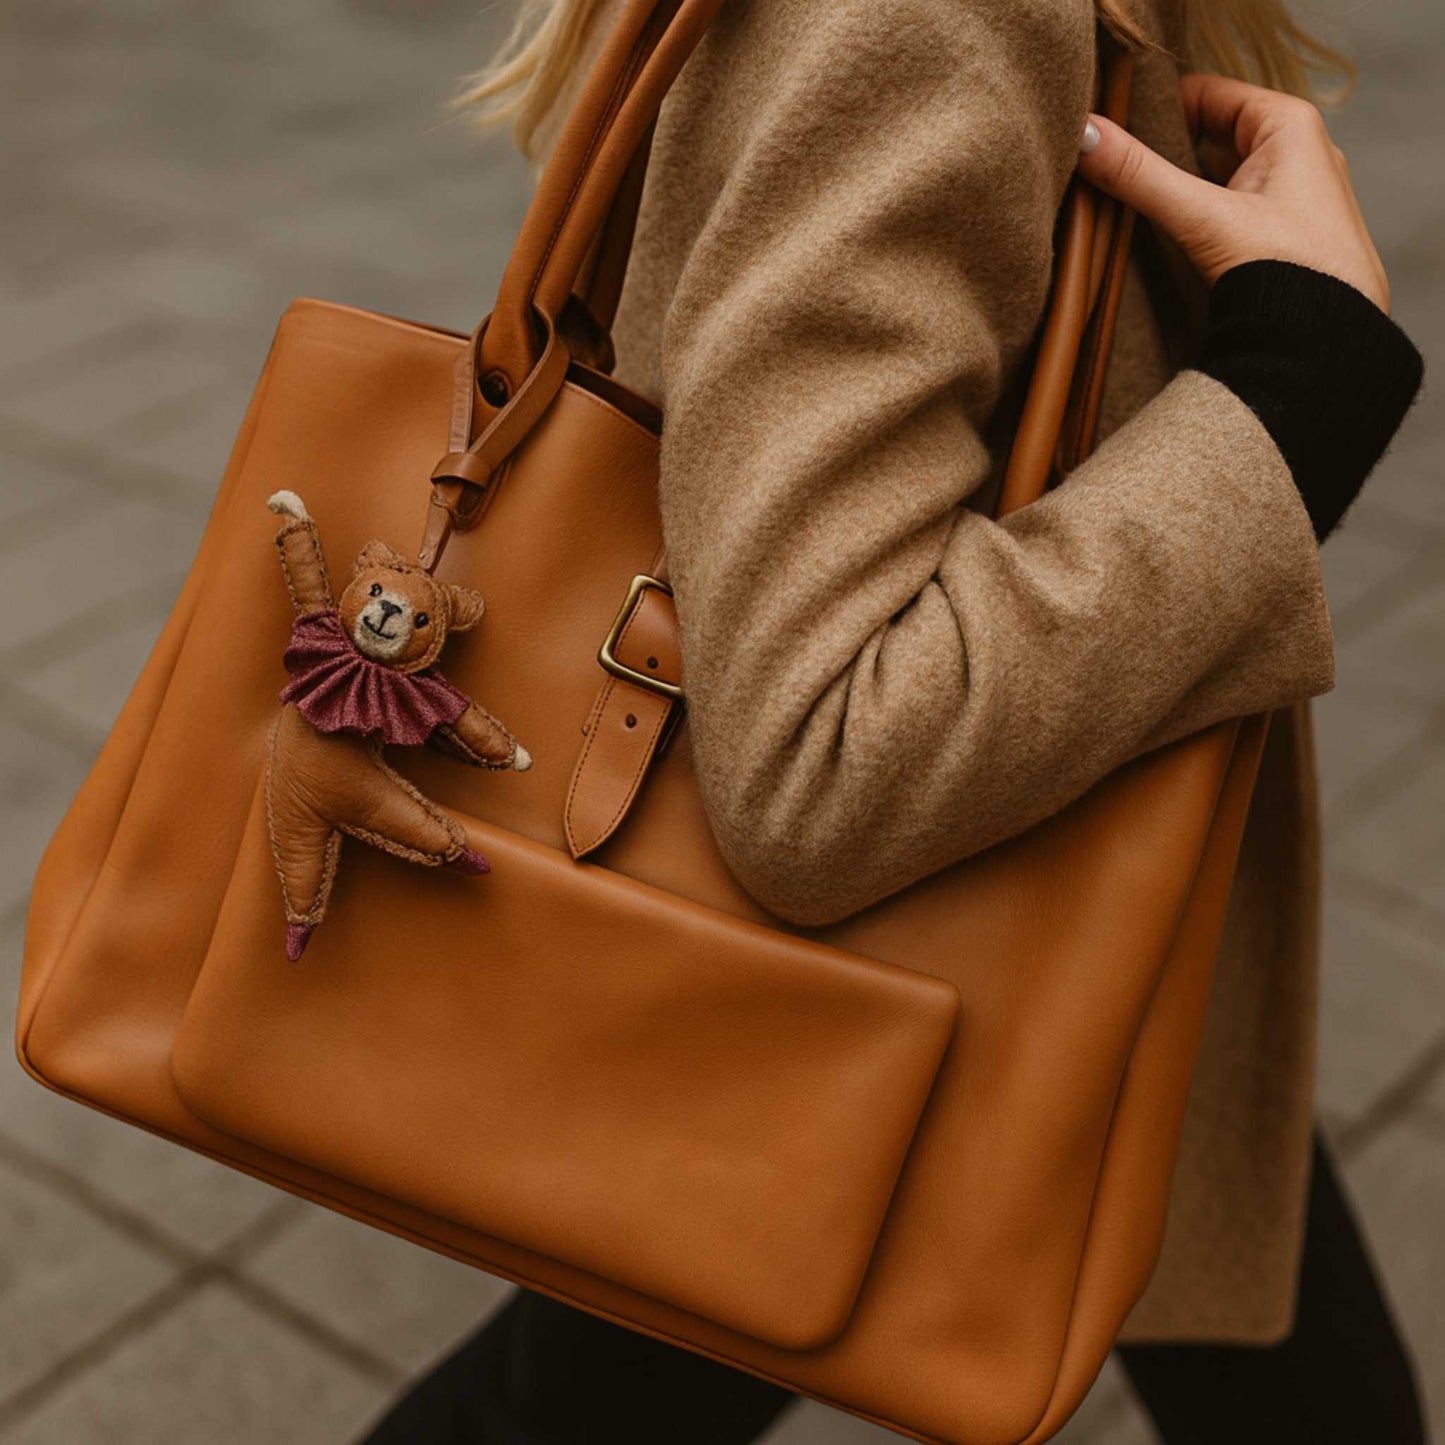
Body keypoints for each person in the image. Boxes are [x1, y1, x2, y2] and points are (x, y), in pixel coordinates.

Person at [364, 0, 1426, 1440]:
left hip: (1016, 907)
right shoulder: (942, 15)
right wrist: (1298, 383)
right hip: (918, 926)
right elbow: (822, 763)